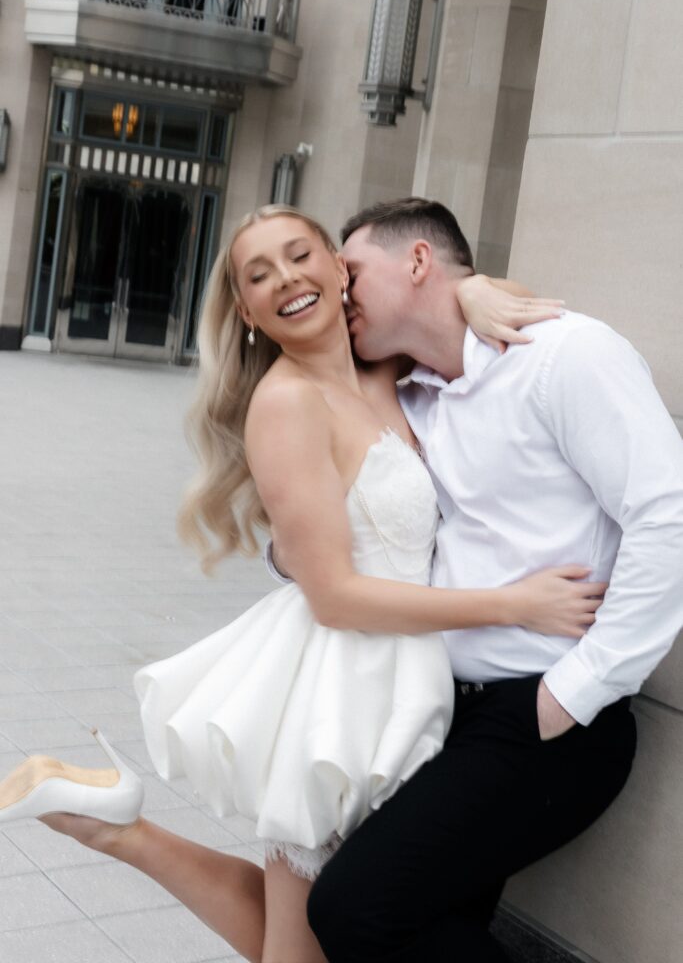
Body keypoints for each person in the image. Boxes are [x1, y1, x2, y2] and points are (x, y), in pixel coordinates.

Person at [0, 205, 605, 963]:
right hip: (341, 681)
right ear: (248, 312)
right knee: (305, 947)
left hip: (417, 676)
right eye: (259, 275)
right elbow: (334, 596)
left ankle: (118, 824)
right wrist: (516, 602)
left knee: (335, 924)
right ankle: (121, 830)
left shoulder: (383, 366)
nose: (285, 278)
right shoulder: (284, 404)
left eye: (297, 256)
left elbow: (478, 308)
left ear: (336, 266)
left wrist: (471, 291)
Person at [291, 197, 683, 963]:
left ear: (416, 263)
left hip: (545, 721)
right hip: (441, 714)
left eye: (352, 272)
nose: (340, 294)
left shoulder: (563, 357)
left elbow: (667, 516)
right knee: (414, 920)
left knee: (351, 908)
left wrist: (573, 692)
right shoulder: (405, 397)